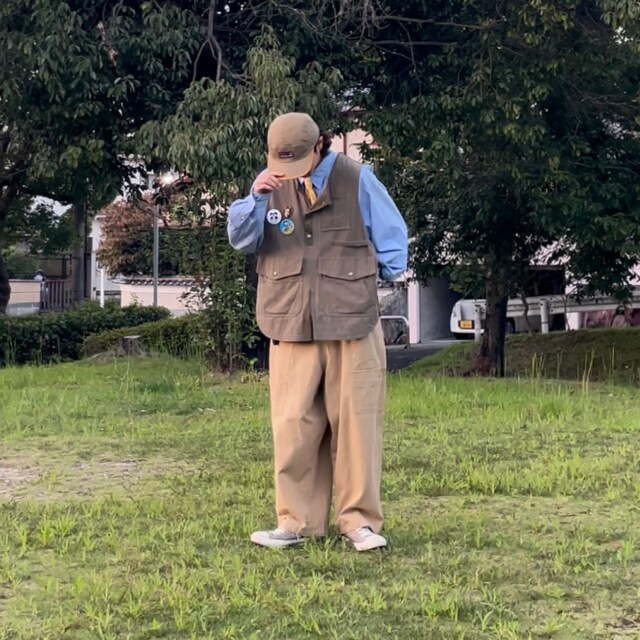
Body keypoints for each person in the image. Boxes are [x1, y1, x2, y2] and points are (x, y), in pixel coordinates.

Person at [227, 112, 408, 551]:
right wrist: (254, 198)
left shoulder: (359, 179)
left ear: (320, 145)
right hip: (289, 319)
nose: (286, 170)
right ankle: (296, 522)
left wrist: (370, 277)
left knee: (358, 424)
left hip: (353, 321)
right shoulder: (266, 185)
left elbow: (393, 242)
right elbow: (242, 241)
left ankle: (359, 523)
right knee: (292, 425)